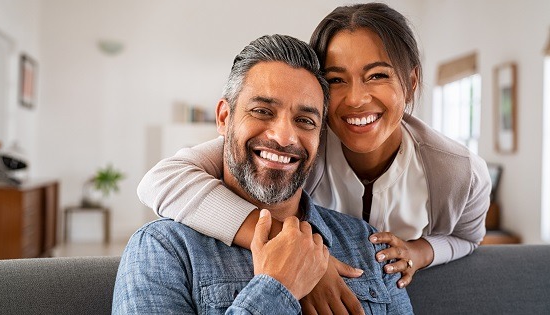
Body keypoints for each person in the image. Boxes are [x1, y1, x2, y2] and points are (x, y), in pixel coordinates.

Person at [137, 2, 491, 313]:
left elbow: (468, 237)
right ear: (224, 117)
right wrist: (296, 254)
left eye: (378, 75)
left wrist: (421, 251)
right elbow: (163, 180)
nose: (355, 99)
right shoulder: (298, 144)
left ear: (411, 82)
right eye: (336, 80)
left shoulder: (456, 171)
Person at [113, 34, 413, 314]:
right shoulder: (163, 249)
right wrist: (276, 289)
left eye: (304, 120)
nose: (284, 137)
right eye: (262, 111)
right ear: (224, 118)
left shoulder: (366, 243)